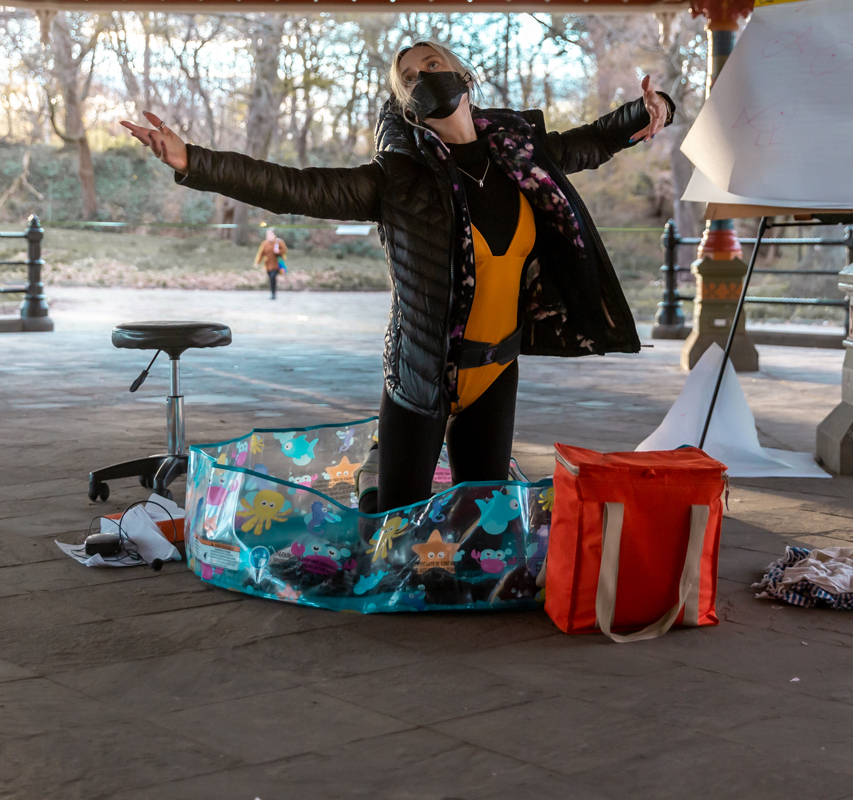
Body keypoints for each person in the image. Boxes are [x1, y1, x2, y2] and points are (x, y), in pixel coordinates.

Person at [122, 40, 673, 513]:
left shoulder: (522, 153)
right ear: (404, 101)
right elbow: (294, 186)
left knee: (481, 515)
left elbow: (596, 139)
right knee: (395, 520)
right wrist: (192, 159)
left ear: (461, 73)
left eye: (433, 65)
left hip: (496, 367)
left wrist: (653, 109)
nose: (425, 77)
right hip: (422, 372)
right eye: (410, 77)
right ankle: (373, 486)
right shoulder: (396, 178)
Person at [255, 228, 287, 299]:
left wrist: (278, 251)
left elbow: (284, 250)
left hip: (276, 265)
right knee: (270, 279)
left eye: (270, 234)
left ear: (273, 235)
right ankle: (273, 292)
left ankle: (273, 293)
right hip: (268, 265)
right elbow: (261, 253)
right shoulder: (265, 243)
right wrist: (257, 262)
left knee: (273, 277)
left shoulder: (279, 242)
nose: (269, 236)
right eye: (268, 235)